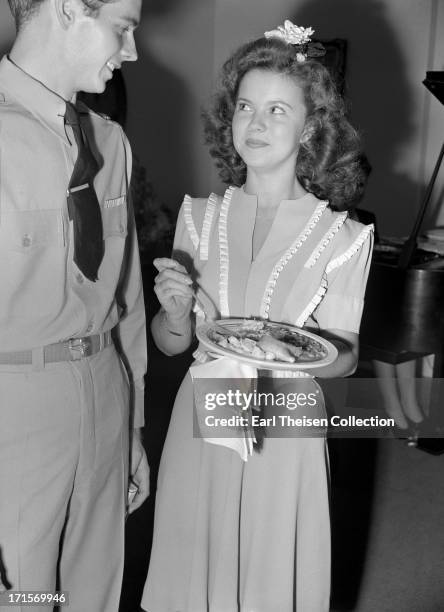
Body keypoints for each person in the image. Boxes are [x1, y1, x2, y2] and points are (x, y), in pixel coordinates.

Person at [141, 20, 373, 612]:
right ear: (229, 118)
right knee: (198, 562)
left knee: (269, 572)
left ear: (311, 126)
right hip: (205, 407)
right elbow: (172, 345)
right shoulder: (197, 217)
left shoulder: (344, 236)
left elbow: (342, 358)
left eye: (277, 109)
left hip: (287, 416)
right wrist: (172, 314)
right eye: (246, 107)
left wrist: (291, 350)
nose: (257, 123)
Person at [0, 1, 149, 610]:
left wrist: (133, 424)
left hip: (104, 385)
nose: (132, 51)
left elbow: (128, 295)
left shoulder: (110, 142)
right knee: (22, 596)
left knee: (95, 589)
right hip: (14, 404)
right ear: (68, 8)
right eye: (123, 27)